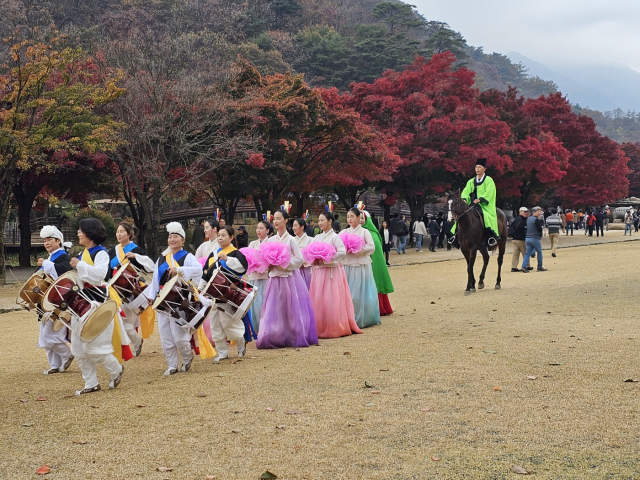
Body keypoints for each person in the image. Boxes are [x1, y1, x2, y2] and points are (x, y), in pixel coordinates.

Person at [69, 218, 127, 395]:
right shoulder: (83, 254)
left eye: (81, 230)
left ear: (90, 232)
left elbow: (101, 274)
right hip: (80, 303)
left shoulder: (100, 253)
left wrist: (80, 265)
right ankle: (91, 383)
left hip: (97, 302)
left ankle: (116, 369)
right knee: (78, 347)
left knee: (95, 347)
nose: (78, 233)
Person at [143, 222, 203, 375]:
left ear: (183, 240)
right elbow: (155, 279)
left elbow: (199, 271)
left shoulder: (187, 257)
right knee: (165, 334)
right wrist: (151, 296)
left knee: (179, 334)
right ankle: (172, 365)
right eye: (170, 237)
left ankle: (187, 356)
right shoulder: (162, 258)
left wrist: (180, 270)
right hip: (163, 300)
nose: (172, 239)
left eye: (175, 236)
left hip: (180, 299)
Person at [256, 210, 318, 349]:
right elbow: (262, 258)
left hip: (289, 277)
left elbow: (299, 259)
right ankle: (272, 335)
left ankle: (291, 334)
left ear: (286, 220)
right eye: (274, 219)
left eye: (279, 219)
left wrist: (284, 264)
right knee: (273, 307)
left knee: (290, 307)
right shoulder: (271, 240)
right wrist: (269, 264)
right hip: (274, 277)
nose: (276, 221)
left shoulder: (291, 240)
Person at [308, 210, 362, 338]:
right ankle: (319, 326)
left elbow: (342, 252)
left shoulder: (334, 237)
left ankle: (333, 326)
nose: (320, 223)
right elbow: (309, 251)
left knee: (331, 298)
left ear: (330, 221)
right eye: (319, 220)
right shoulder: (317, 237)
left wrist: (327, 258)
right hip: (319, 272)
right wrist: (314, 259)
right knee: (318, 298)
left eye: (322, 220)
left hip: (331, 272)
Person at [199, 226, 248, 361]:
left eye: (223, 235)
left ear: (231, 237)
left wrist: (227, 259)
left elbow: (242, 268)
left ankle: (240, 343)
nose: (220, 238)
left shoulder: (235, 253)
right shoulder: (213, 254)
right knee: (215, 325)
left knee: (228, 323)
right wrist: (200, 289)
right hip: (213, 294)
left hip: (228, 294)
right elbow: (206, 274)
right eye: (219, 235)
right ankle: (222, 353)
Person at [107, 221, 155, 357]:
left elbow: (151, 265)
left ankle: (137, 341)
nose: (119, 234)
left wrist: (137, 257)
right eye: (117, 231)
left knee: (125, 323)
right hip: (117, 292)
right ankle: (134, 342)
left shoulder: (137, 250)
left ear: (129, 234)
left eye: (122, 231)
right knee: (121, 322)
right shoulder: (113, 251)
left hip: (133, 291)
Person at [36, 226, 74, 375]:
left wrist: (45, 263)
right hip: (44, 300)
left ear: (59, 240)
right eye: (44, 241)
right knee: (44, 333)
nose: (46, 243)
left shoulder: (65, 257)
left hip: (58, 300)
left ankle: (66, 355)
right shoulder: (49, 259)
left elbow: (64, 273)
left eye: (49, 240)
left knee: (51, 333)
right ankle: (54, 364)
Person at [342, 207, 380, 329]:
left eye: (352, 216)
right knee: (347, 293)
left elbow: (372, 247)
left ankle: (361, 318)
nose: (349, 219)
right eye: (348, 217)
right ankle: (347, 318)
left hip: (360, 264)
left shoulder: (365, 232)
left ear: (359, 218)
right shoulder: (344, 233)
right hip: (347, 264)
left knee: (358, 294)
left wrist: (360, 250)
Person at [451, 158, 499, 247]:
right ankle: (455, 235)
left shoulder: (489, 180)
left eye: (480, 167)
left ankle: (490, 236)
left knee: (485, 216)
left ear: (484, 169)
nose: (477, 169)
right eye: (476, 167)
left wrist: (480, 199)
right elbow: (465, 191)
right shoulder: (471, 181)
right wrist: (464, 199)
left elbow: (489, 192)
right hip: (471, 204)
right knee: (461, 215)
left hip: (484, 205)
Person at [362, 211, 395, 316]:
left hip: (371, 263)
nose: (360, 221)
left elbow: (375, 249)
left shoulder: (371, 233)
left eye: (362, 219)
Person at [247, 220, 270, 333]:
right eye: (257, 228)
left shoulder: (270, 243)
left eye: (261, 228)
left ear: (267, 230)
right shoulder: (252, 244)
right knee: (253, 302)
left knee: (263, 301)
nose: (258, 230)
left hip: (265, 276)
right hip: (253, 275)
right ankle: (255, 327)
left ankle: (264, 326)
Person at [521, 207, 546, 272]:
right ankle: (539, 267)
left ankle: (524, 266)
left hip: (528, 238)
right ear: (534, 212)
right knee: (539, 253)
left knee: (527, 253)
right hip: (535, 238)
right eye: (538, 211)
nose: (539, 213)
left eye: (540, 211)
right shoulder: (536, 220)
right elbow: (539, 229)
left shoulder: (528, 219)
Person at [293, 217, 313, 289]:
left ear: (302, 227)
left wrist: (304, 263)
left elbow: (312, 256)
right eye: (293, 226)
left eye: (295, 226)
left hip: (306, 270)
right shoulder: (291, 240)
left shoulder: (311, 240)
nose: (293, 228)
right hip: (294, 270)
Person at [509, 207, 531, 272]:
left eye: (527, 212)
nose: (526, 213)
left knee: (515, 254)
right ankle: (526, 265)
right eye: (524, 212)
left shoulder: (516, 219)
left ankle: (514, 266)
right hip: (521, 239)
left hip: (514, 239)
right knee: (525, 253)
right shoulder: (521, 220)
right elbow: (519, 228)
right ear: (520, 212)